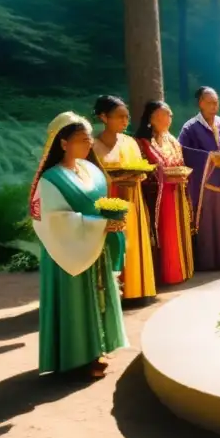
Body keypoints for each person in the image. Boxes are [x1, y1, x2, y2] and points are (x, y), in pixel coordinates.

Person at [30, 112, 129, 379]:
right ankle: (75, 358)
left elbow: (101, 204)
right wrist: (99, 224)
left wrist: (113, 220)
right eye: (81, 140)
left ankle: (97, 348)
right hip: (66, 250)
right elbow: (53, 220)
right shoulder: (50, 179)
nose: (88, 145)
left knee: (98, 297)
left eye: (88, 139)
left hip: (94, 245)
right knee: (74, 300)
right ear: (63, 143)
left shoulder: (91, 170)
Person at [90, 95, 157, 300]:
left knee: (133, 242)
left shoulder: (130, 142)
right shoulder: (93, 146)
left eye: (126, 117)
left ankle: (137, 290)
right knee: (112, 245)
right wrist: (113, 178)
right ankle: (110, 293)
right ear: (103, 117)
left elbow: (141, 169)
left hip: (133, 200)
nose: (124, 121)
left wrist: (135, 175)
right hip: (108, 202)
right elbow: (89, 175)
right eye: (119, 117)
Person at [178, 86, 220, 271]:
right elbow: (182, 152)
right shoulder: (190, 127)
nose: (214, 106)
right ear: (200, 103)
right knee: (205, 225)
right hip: (203, 186)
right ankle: (205, 262)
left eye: (216, 102)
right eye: (209, 102)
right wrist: (209, 158)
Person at [135, 101, 195, 286]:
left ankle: (183, 270)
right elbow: (143, 170)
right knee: (165, 234)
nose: (170, 117)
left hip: (177, 192)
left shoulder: (171, 140)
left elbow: (180, 161)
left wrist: (179, 174)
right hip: (158, 196)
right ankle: (167, 274)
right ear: (153, 118)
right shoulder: (142, 143)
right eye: (165, 114)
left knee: (181, 231)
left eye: (170, 114)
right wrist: (162, 175)